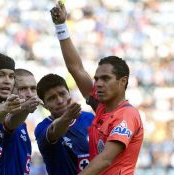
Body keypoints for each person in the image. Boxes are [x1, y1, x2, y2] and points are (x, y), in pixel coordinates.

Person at [50, 2, 144, 174]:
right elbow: (76, 69)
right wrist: (61, 26)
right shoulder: (101, 107)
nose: (99, 83)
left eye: (106, 79)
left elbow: (105, 159)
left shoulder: (127, 115)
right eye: (97, 79)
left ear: (123, 81)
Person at [34, 74, 94, 175]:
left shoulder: (89, 118)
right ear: (44, 105)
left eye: (62, 94)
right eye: (52, 98)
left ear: (69, 93)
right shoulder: (41, 128)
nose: (60, 101)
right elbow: (54, 131)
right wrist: (68, 117)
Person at [0, 68, 40, 175]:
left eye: (33, 88)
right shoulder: (0, 119)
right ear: (10, 91)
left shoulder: (23, 125)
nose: (30, 94)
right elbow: (10, 122)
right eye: (23, 88)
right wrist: (25, 108)